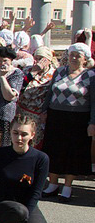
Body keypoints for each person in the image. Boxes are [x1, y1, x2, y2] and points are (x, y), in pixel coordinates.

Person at [41, 43, 95, 201]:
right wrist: (44, 111)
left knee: (73, 152)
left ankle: (67, 186)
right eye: (71, 54)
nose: (73, 58)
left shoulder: (90, 76)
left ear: (84, 59)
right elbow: (50, 93)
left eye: (78, 55)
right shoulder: (59, 71)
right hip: (56, 117)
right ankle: (52, 184)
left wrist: (92, 122)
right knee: (53, 149)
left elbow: (93, 102)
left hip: (78, 119)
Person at [15, 45, 55, 149]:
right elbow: (19, 87)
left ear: (48, 60)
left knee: (34, 141)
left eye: (41, 59)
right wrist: (33, 73)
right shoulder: (28, 70)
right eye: (36, 58)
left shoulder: (53, 74)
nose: (37, 62)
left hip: (38, 114)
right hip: (22, 110)